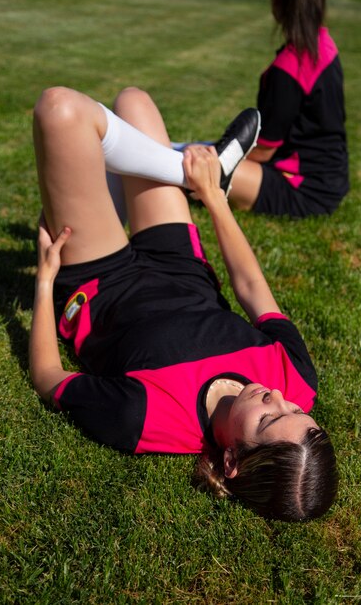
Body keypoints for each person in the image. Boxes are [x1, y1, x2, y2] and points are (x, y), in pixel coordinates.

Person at [29, 85, 338, 521]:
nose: (277, 397)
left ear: (231, 461)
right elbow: (251, 286)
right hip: (178, 262)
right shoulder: (296, 378)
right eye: (296, 410)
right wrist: (214, 199)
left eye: (269, 419)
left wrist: (44, 283)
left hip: (102, 280)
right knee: (134, 102)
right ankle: (201, 173)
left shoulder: (143, 418)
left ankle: (178, 166)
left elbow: (48, 377)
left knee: (60, 110)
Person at [204, 0, 349, 217]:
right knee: (204, 155)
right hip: (331, 181)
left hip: (303, 190)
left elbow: (262, 151)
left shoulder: (289, 68)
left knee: (201, 169)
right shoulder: (325, 45)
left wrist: (214, 154)